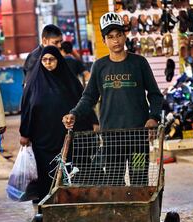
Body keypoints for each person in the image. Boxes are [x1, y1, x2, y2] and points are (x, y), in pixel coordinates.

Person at [62, 12, 163, 186]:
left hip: (137, 137)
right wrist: (74, 114)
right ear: (104, 40)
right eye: (110, 37)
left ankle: (138, 213)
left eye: (119, 35)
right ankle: (119, 213)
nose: (115, 40)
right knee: (114, 182)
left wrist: (153, 117)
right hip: (111, 138)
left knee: (139, 180)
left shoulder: (139, 63)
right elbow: (89, 97)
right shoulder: (100, 66)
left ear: (125, 36)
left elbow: (155, 95)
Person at [19, 46, 98, 202]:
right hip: (43, 141)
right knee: (47, 175)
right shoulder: (34, 83)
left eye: (52, 59)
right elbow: (27, 108)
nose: (48, 63)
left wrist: (93, 120)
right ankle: (48, 209)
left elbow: (83, 100)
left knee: (70, 173)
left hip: (68, 138)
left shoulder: (69, 81)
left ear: (58, 60)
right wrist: (25, 133)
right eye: (45, 60)